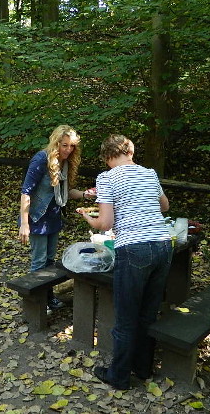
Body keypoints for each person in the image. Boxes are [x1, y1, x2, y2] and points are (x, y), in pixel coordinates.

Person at [76, 134, 172, 390]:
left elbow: (105, 223)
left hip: (133, 248)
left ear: (107, 157)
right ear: (131, 152)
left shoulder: (106, 178)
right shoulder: (149, 173)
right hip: (163, 245)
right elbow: (164, 206)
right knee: (148, 314)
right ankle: (142, 368)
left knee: (126, 318)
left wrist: (88, 218)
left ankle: (118, 376)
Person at [19, 125, 94, 311]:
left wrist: (85, 194)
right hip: (37, 216)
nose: (68, 150)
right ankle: (37, 304)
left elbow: (66, 192)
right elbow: (26, 192)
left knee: (50, 261)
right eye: (64, 145)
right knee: (39, 262)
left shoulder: (66, 163)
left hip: (53, 216)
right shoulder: (41, 159)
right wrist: (24, 223)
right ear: (56, 143)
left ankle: (49, 297)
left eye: (72, 146)